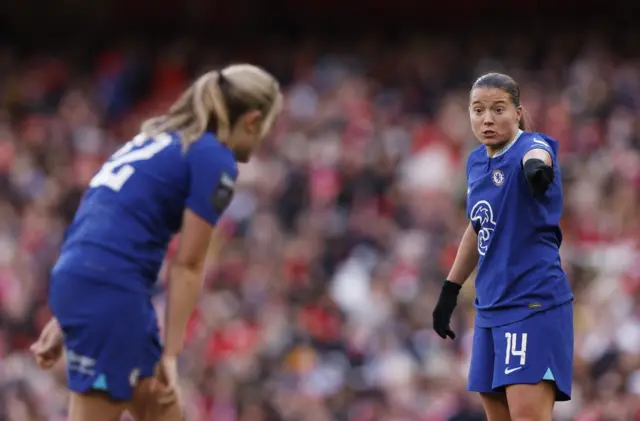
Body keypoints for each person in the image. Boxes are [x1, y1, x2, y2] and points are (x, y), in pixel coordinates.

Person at [29, 64, 283, 421]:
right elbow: (188, 264)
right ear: (253, 121)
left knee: (161, 406)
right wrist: (171, 353)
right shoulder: (213, 157)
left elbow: (100, 223)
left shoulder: (153, 139)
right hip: (110, 293)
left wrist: (71, 310)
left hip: (88, 281)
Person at [431, 73, 574, 421]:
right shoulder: (477, 162)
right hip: (490, 308)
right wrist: (450, 289)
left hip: (531, 303)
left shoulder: (531, 146)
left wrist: (538, 168)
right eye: (478, 110)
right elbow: (478, 226)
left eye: (498, 109)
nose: (487, 119)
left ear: (518, 113)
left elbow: (538, 155)